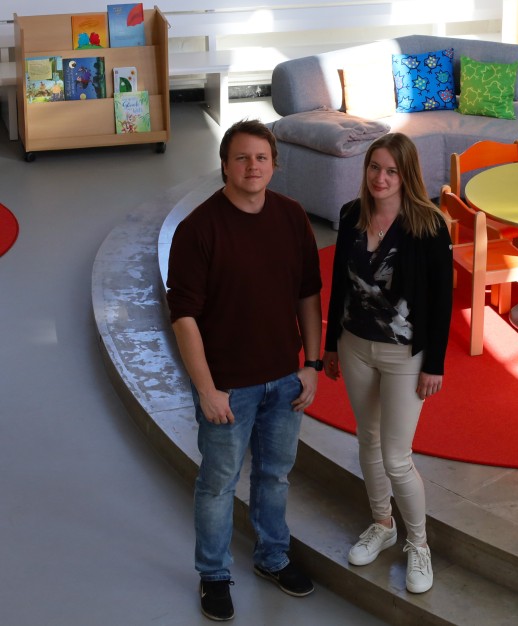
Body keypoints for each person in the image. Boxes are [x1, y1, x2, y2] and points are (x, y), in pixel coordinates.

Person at [166, 119, 323, 621]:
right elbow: (183, 316)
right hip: (228, 386)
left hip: (284, 379)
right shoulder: (198, 229)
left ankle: (272, 556)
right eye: (241, 158)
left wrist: (313, 364)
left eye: (261, 158)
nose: (252, 167)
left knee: (275, 476)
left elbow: (307, 294)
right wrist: (207, 389)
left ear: (274, 164)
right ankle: (213, 574)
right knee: (217, 484)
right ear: (224, 166)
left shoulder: (292, 217)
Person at [322, 132, 453, 594]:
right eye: (374, 167)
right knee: (368, 440)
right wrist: (330, 347)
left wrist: (433, 363)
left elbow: (441, 302)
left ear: (406, 175)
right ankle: (383, 524)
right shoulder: (351, 215)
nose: (380, 178)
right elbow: (338, 284)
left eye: (391, 171)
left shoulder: (430, 226)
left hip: (405, 356)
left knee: (397, 457)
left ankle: (419, 545)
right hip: (355, 345)